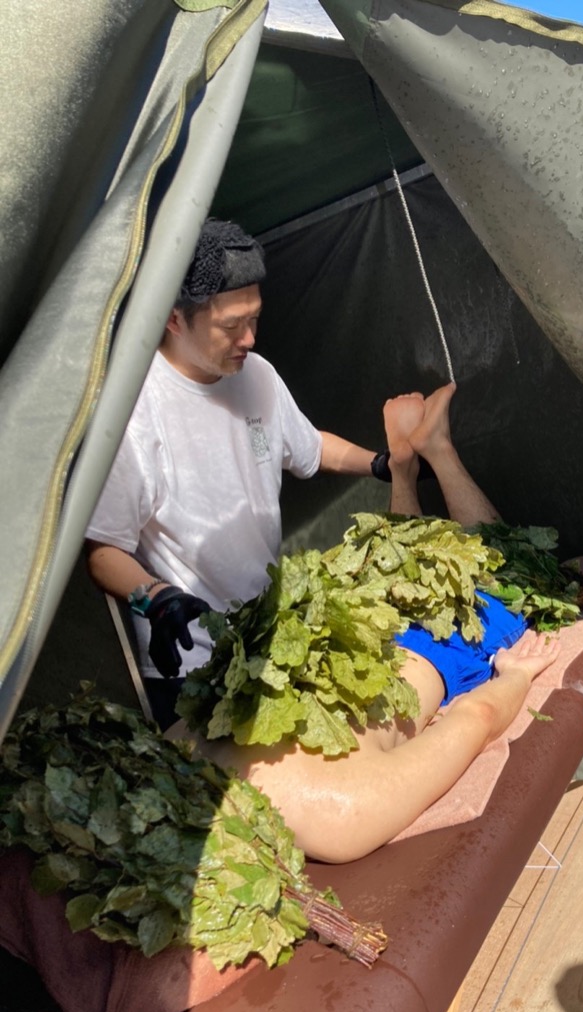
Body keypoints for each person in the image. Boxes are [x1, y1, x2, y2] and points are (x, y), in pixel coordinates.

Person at [167, 382, 561, 863]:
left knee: (505, 573)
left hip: (426, 653)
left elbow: (475, 717)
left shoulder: (339, 819)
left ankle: (434, 450)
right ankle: (409, 464)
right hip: (338, 614)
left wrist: (515, 675)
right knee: (397, 568)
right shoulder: (184, 749)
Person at [85, 220, 377, 727]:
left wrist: (381, 463)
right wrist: (155, 599)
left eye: (255, 318)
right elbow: (104, 550)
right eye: (230, 326)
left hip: (270, 642)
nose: (249, 338)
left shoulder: (256, 375)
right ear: (175, 319)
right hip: (193, 667)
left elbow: (310, 448)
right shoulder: (134, 409)